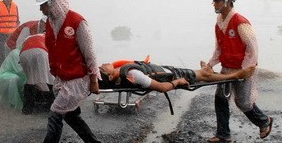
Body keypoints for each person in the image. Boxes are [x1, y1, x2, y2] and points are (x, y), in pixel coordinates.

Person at [24, 0, 108, 143]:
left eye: (43, 5)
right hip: (63, 79)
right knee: (70, 115)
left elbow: (90, 54)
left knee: (55, 116)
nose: (41, 9)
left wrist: (94, 79)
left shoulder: (77, 22)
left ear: (54, 3)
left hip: (78, 79)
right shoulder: (51, 24)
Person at [203, 0, 273, 143]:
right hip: (227, 68)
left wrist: (245, 70)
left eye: (217, 1)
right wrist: (210, 64)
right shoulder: (219, 23)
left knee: (243, 102)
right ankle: (223, 134)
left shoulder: (240, 22)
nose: (214, 4)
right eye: (214, 1)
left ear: (227, 2)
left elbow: (253, 48)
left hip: (244, 69)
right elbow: (219, 48)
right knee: (220, 98)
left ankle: (264, 121)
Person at [98, 59, 256, 92]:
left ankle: (204, 71)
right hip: (171, 77)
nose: (102, 65)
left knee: (200, 73)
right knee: (203, 76)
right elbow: (161, 88)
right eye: (103, 69)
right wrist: (178, 82)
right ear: (111, 77)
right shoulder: (133, 75)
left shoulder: (121, 72)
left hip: (163, 70)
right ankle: (237, 75)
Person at [19, 33, 54, 114]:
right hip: (41, 52)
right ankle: (49, 105)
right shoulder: (49, 37)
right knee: (48, 78)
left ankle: (27, 108)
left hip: (24, 54)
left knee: (30, 80)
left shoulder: (29, 37)